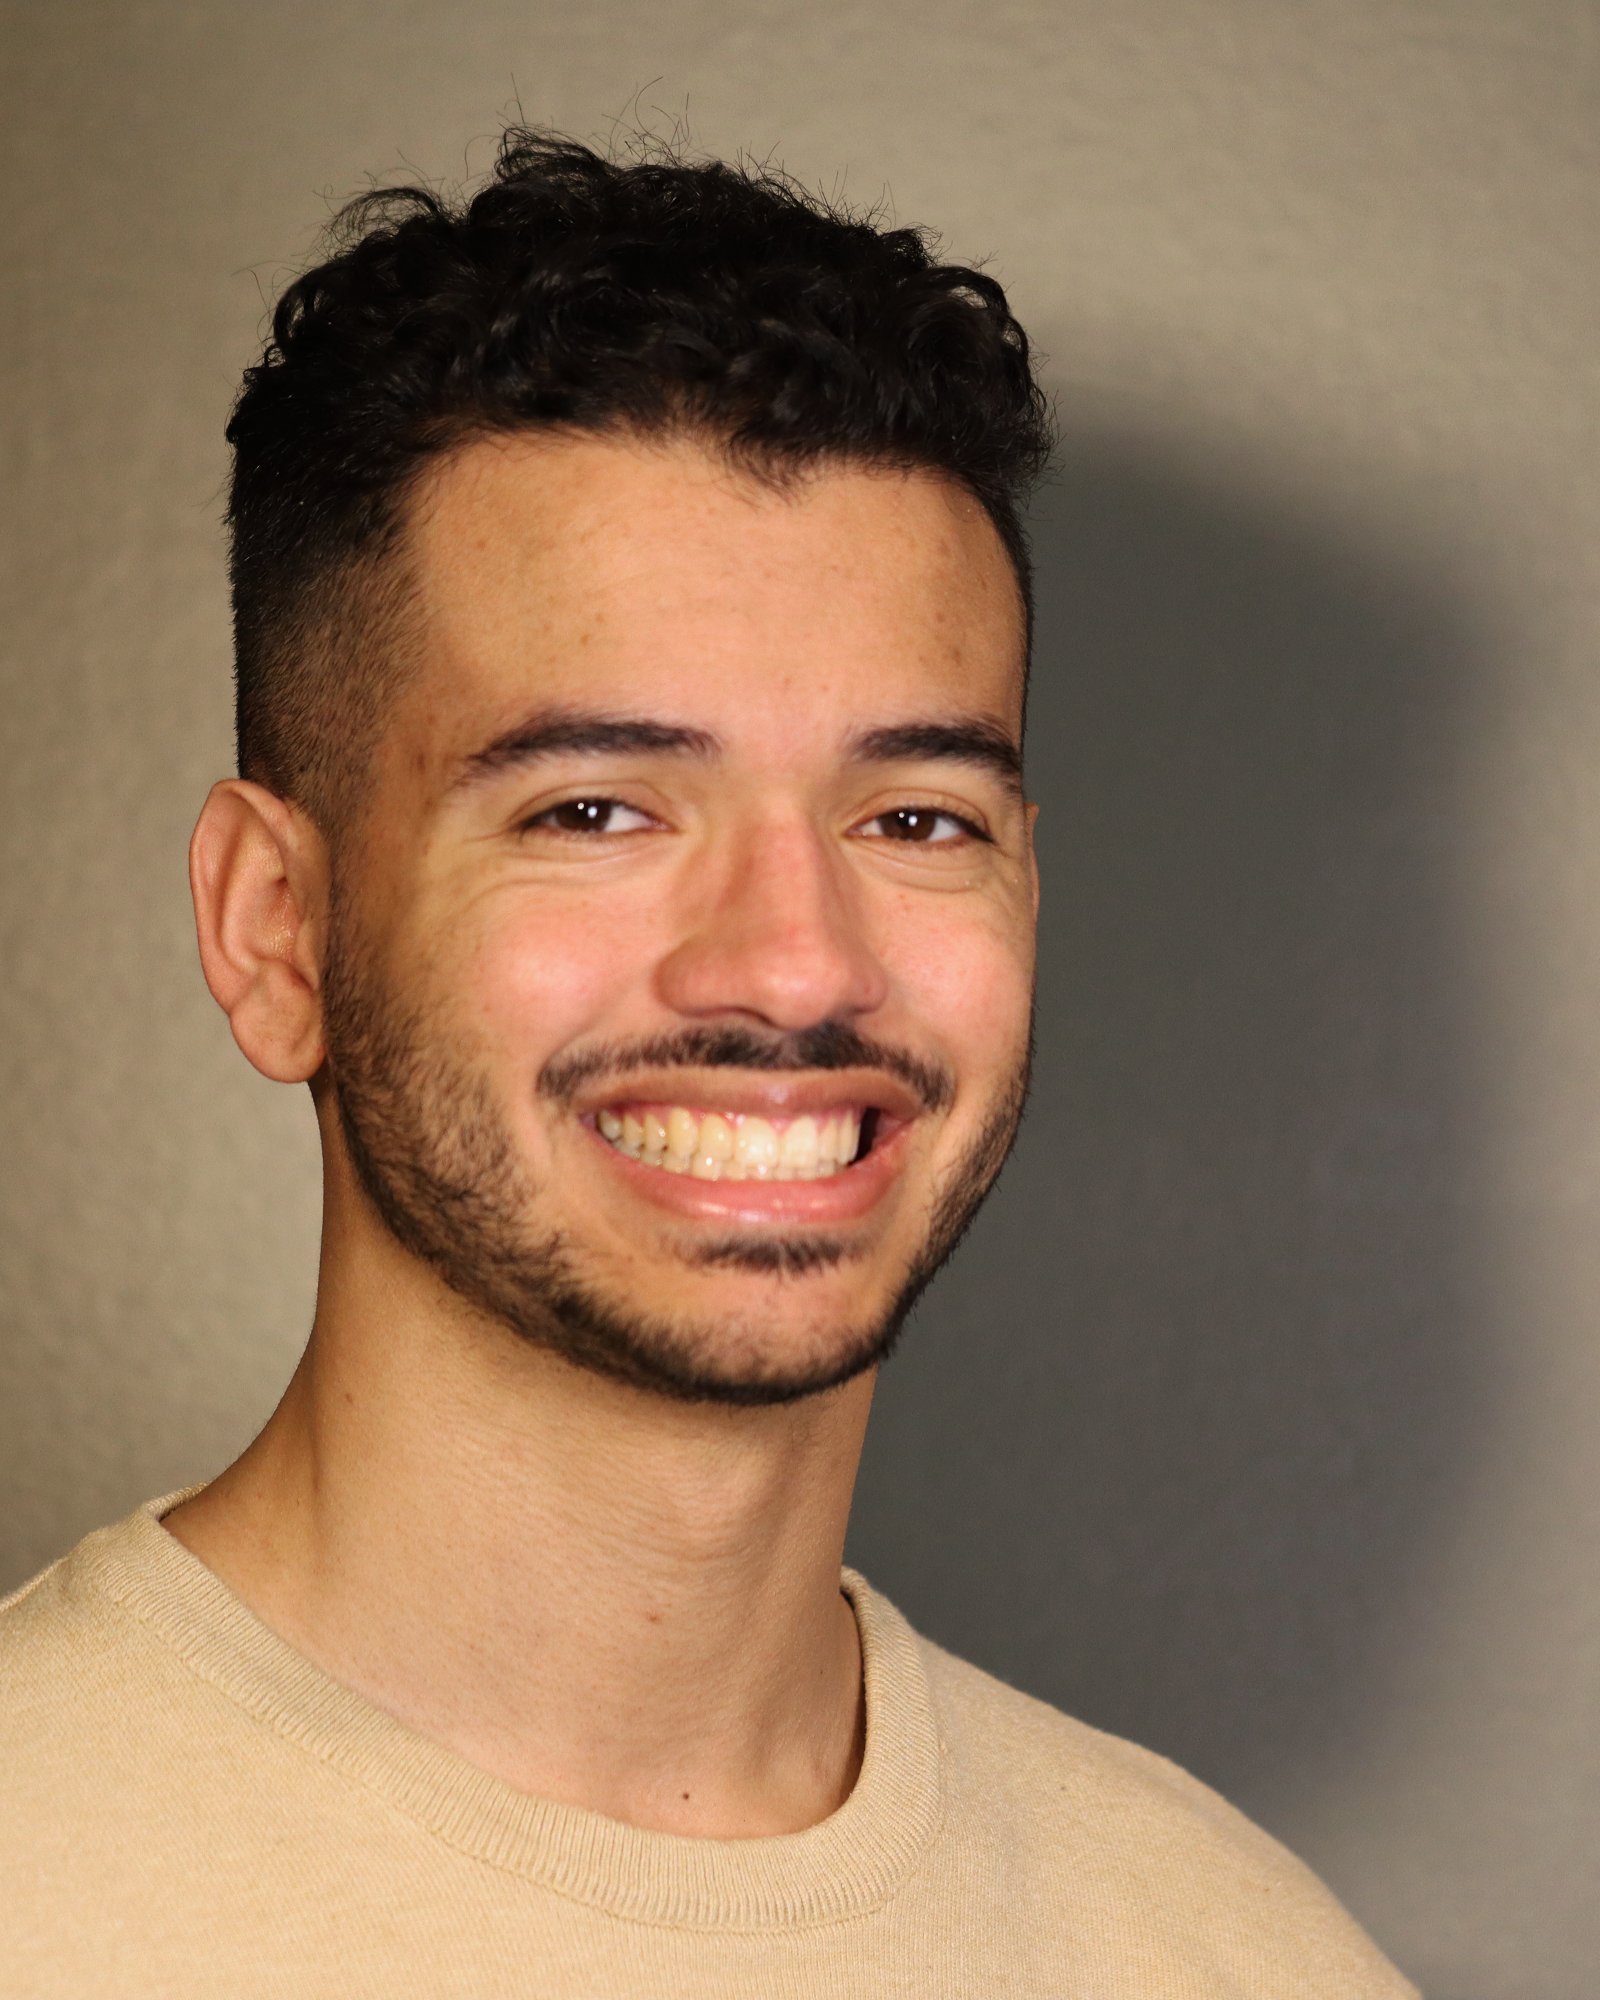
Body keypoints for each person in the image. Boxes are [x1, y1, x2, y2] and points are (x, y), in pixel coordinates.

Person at [2, 129, 1416, 1996]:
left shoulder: (1242, 1956)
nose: (795, 963)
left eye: (917, 819)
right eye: (597, 806)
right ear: (276, 928)